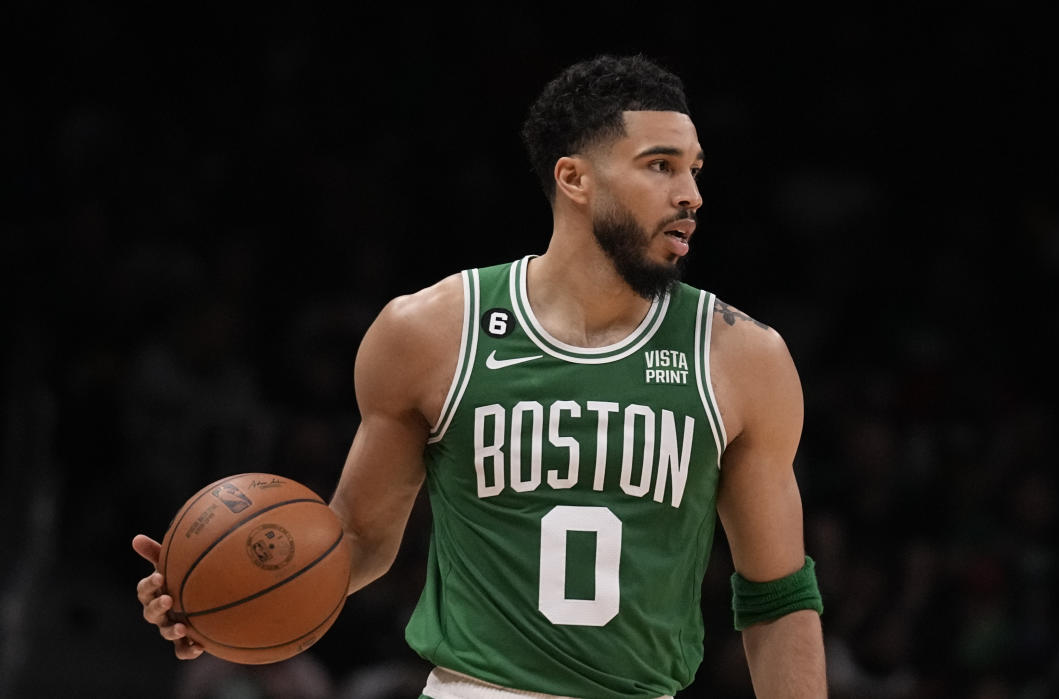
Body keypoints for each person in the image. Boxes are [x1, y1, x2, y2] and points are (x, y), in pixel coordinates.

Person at [134, 53, 828, 698]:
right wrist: (217, 596)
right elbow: (359, 541)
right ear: (574, 178)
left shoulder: (743, 357)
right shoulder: (431, 332)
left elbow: (777, 595)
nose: (692, 194)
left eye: (695, 168)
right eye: (661, 166)